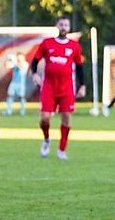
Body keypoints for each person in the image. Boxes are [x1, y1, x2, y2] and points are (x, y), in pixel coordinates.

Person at [32, 20, 86, 159]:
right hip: (49, 86)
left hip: (66, 87)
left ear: (69, 27)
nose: (63, 27)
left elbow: (79, 67)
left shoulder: (74, 46)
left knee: (66, 117)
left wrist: (83, 85)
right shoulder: (47, 43)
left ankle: (62, 149)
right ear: (57, 27)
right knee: (44, 117)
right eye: (61, 25)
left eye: (66, 25)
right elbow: (35, 60)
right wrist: (34, 74)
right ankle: (46, 139)